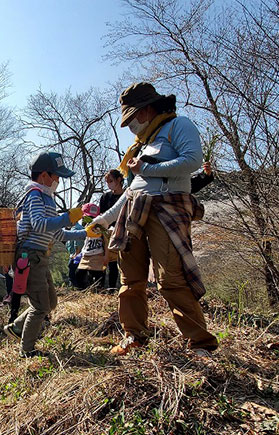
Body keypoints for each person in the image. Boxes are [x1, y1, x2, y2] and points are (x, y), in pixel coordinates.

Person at [88, 82, 218, 356]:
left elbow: (193, 160)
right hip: (134, 213)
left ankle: (199, 342)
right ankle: (134, 336)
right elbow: (132, 191)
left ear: (146, 110)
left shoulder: (179, 126)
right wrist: (104, 219)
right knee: (130, 279)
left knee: (171, 278)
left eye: (132, 118)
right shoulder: (141, 146)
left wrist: (147, 168)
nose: (130, 126)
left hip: (167, 209)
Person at [3, 152, 86, 357]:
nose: (58, 180)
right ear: (43, 176)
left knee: (51, 302)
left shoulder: (47, 198)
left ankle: (15, 328)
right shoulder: (34, 195)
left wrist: (85, 233)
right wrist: (67, 218)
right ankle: (27, 350)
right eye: (56, 175)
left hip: (40, 257)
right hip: (29, 256)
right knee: (40, 307)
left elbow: (57, 233)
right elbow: (40, 225)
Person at [99, 169, 126, 290]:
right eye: (107, 182)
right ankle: (110, 288)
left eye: (111, 181)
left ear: (119, 180)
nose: (109, 184)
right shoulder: (105, 197)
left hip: (124, 231)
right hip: (108, 233)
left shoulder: (127, 195)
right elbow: (102, 215)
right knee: (110, 261)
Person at [76, 203, 107, 289]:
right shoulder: (85, 227)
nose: (91, 219)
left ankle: (99, 291)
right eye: (88, 217)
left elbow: (106, 242)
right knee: (79, 273)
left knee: (98, 275)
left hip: (97, 254)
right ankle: (82, 291)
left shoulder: (100, 228)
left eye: (93, 217)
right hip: (86, 254)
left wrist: (106, 256)